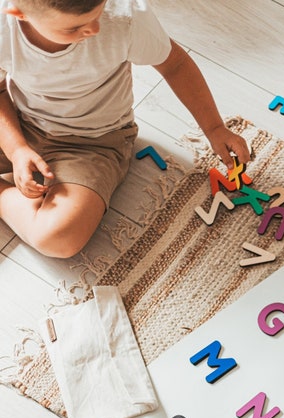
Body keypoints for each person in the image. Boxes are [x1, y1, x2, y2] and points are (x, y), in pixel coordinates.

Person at [0, 0, 250, 258]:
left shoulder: (123, 18)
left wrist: (214, 127)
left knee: (60, 238)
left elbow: (174, 64)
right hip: (19, 121)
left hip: (95, 141)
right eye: (74, 28)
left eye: (98, 14)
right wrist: (17, 149)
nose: (95, 29)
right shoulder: (3, 27)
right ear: (19, 14)